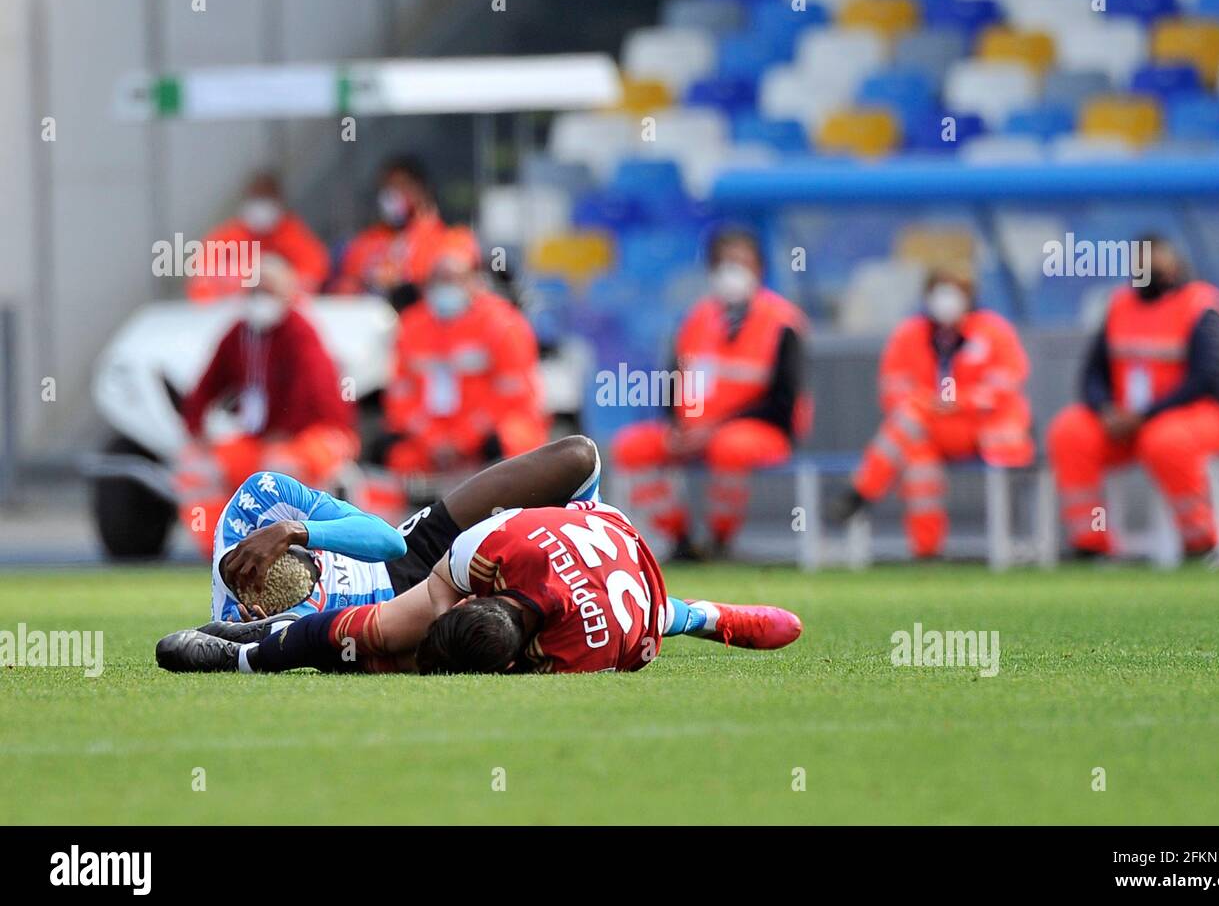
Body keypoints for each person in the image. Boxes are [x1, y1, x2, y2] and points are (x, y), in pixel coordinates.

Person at [155, 437, 803, 675]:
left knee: (392, 647)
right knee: (398, 640)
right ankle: (250, 650)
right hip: (555, 551)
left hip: (606, 563)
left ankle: (250, 650)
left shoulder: (621, 637)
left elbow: (699, 618)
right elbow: (395, 598)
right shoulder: (505, 560)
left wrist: (301, 534)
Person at [612, 227, 808, 560]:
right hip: (695, 432)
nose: (732, 273)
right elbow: (675, 380)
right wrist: (676, 427)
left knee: (728, 448)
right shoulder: (697, 320)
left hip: (760, 430)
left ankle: (720, 540)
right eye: (724, 264)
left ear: (759, 270)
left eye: (741, 264)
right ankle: (680, 539)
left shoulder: (782, 322)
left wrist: (713, 430)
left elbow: (783, 402)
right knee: (632, 447)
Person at [1047, 237, 1219, 559]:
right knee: (1071, 432)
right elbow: (1093, 372)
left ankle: (1200, 544)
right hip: (1124, 420)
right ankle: (1090, 544)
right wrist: (1105, 409)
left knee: (1166, 440)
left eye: (1155, 266)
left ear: (1174, 266)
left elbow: (1206, 377)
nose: (1147, 273)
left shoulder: (1201, 306)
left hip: (1195, 415)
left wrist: (1147, 414)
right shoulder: (1119, 304)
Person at [830, 265, 1034, 558]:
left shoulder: (994, 332)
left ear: (969, 295)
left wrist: (953, 404)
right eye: (939, 290)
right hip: (932, 430)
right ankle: (927, 553)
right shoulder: (908, 336)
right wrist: (934, 406)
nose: (947, 299)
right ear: (926, 296)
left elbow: (1004, 388)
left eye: (956, 290)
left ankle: (862, 491)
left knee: (913, 414)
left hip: (987, 430)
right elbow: (892, 393)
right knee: (916, 456)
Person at [176, 255, 359, 558]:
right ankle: (223, 549)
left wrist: (285, 432)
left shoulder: (300, 332)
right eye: (255, 292)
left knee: (281, 469)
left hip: (317, 434)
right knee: (199, 467)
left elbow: (312, 394)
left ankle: (297, 550)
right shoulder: (240, 334)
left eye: (268, 292)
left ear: (287, 294)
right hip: (263, 438)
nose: (260, 300)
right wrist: (196, 429)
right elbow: (207, 384)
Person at [382, 229, 548, 475]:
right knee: (395, 455)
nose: (446, 286)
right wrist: (433, 439)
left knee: (508, 445)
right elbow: (401, 399)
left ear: (473, 278)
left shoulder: (501, 324)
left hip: (493, 430)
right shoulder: (412, 326)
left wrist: (463, 438)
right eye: (439, 278)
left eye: (454, 277)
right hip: (434, 437)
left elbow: (511, 397)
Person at [187, 171, 330, 301]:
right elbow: (201, 276)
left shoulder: (294, 235)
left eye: (266, 198)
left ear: (278, 202)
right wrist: (239, 282)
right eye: (256, 198)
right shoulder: (229, 236)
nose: (261, 206)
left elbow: (314, 273)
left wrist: (277, 282)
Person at [332, 155, 451, 302]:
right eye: (387, 187)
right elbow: (345, 288)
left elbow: (439, 285)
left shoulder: (447, 239)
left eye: (401, 186)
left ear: (421, 191)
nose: (393, 194)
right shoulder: (364, 241)